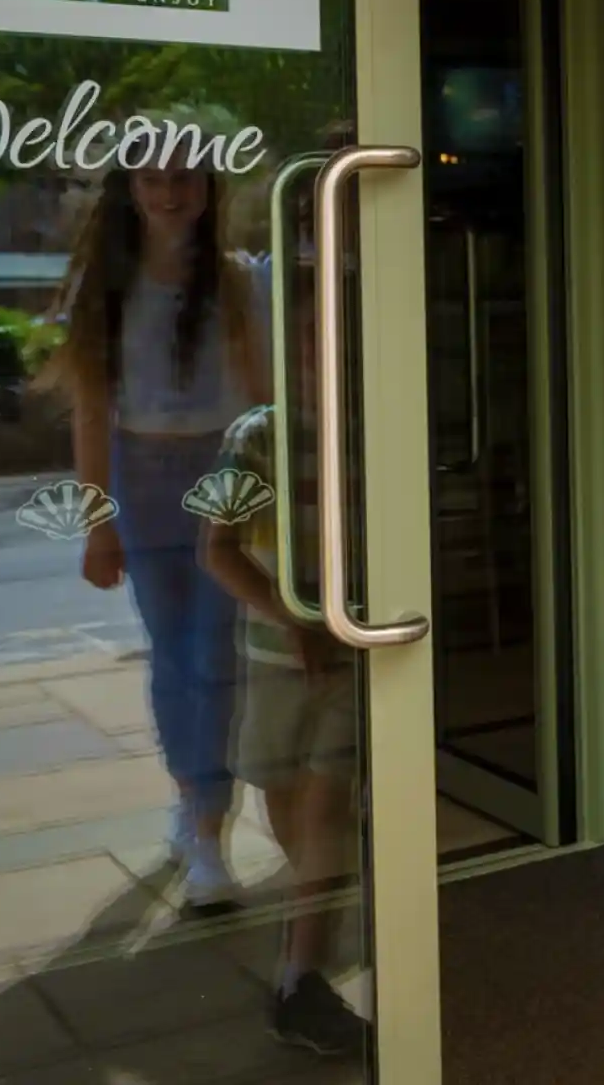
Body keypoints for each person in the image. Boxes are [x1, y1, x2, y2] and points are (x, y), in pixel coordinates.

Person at [42, 151, 269, 915]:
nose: (170, 193)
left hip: (224, 475)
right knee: (174, 655)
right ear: (130, 191)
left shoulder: (242, 281)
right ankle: (191, 805)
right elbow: (92, 412)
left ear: (209, 189)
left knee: (218, 657)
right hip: (141, 481)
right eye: (152, 179)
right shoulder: (104, 287)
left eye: (185, 178)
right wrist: (96, 523)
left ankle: (209, 829)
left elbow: (265, 399)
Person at [199, 398, 371, 1057]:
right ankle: (313, 941)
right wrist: (290, 617)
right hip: (278, 657)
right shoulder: (258, 435)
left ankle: (303, 977)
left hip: (355, 654)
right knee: (294, 808)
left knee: (326, 810)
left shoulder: (373, 418)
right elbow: (218, 548)